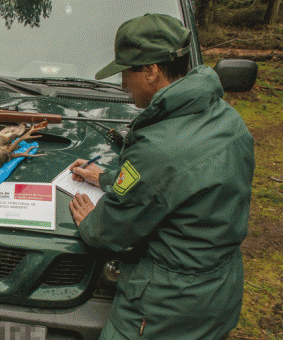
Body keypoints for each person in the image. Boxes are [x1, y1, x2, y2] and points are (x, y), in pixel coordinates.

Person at [68, 14, 255, 340]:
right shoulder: (228, 120)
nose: (123, 83)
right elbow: (172, 183)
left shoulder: (157, 147)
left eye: (127, 71)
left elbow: (111, 231)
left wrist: (90, 222)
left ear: (152, 71)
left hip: (164, 309)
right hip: (219, 295)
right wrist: (107, 177)